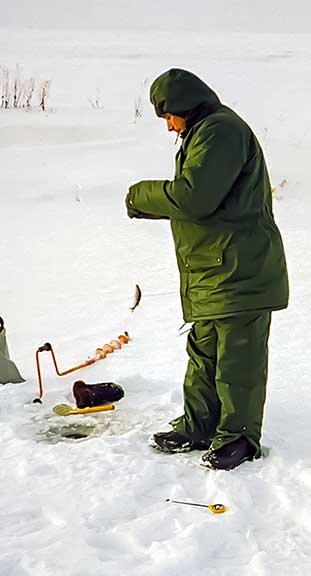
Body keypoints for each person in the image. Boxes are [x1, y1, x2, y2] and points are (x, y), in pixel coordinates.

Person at [126, 68, 289, 471]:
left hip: (239, 268)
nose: (168, 127)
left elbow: (194, 198)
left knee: (238, 359)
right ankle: (199, 426)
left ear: (184, 106)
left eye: (168, 116)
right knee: (204, 352)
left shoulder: (221, 131)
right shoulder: (203, 133)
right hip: (212, 269)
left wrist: (139, 194)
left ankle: (239, 438)